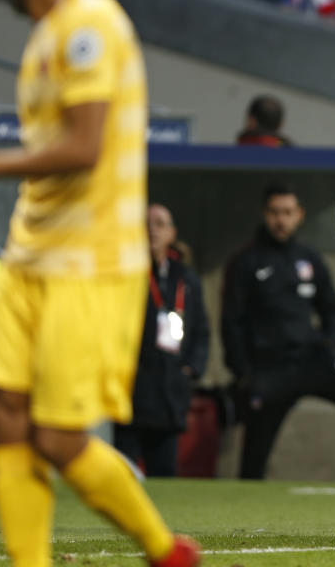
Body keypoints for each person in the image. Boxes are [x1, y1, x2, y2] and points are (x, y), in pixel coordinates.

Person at [0, 0, 200, 565]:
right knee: (8, 415)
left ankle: (165, 551)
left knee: (55, 436)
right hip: (33, 253)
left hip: (92, 261)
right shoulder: (47, 32)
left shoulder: (91, 24)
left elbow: (85, 148)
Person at [222, 184, 335, 479]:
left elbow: (330, 308)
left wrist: (331, 342)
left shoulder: (309, 258)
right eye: (274, 212)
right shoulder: (246, 261)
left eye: (287, 212)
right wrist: (243, 372)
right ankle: (245, 509)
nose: (281, 220)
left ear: (299, 215)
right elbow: (231, 322)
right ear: (264, 214)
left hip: (313, 359)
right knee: (254, 457)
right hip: (270, 368)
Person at [113, 205, 210, 478]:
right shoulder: (124, 273)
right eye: (146, 224)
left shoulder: (185, 278)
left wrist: (191, 368)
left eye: (159, 224)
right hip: (132, 391)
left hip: (170, 394)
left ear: (171, 233)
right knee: (125, 475)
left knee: (164, 476)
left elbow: (201, 329)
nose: (152, 230)